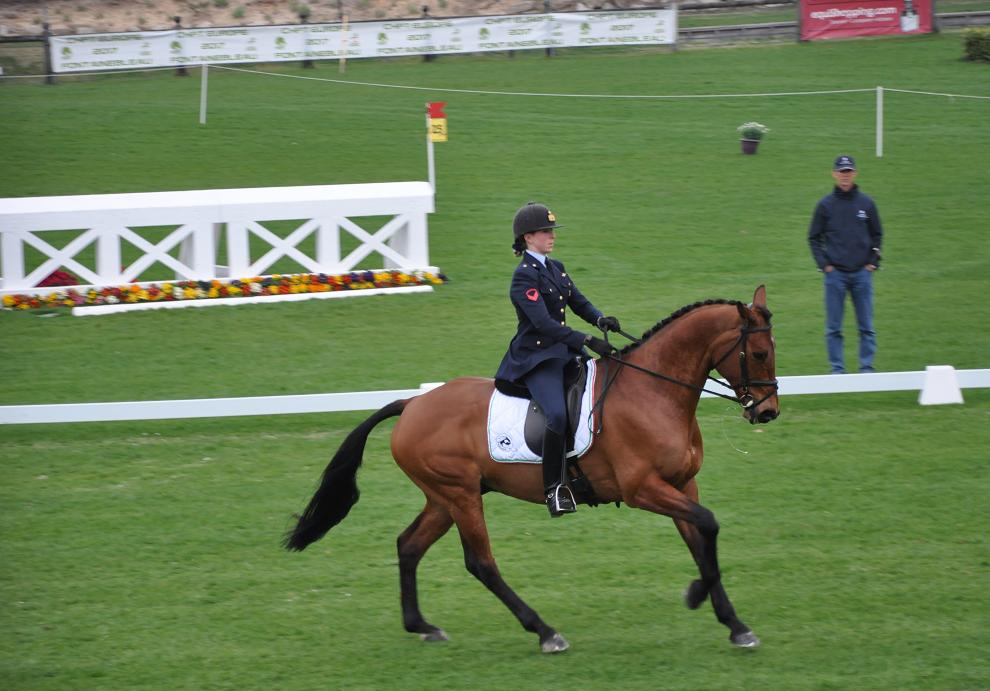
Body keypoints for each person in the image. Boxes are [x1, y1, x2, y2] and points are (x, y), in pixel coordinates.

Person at [495, 202, 620, 517]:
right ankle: (555, 488)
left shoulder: (555, 267)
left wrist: (600, 320)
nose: (551, 236)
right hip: (536, 358)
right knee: (556, 415)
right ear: (527, 237)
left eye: (551, 231)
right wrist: (585, 340)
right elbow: (543, 325)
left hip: (564, 352)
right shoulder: (523, 278)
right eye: (545, 231)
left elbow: (577, 300)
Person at [808, 155, 884, 374]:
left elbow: (877, 235)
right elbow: (813, 238)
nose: (845, 176)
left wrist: (872, 262)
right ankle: (837, 370)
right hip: (835, 276)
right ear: (834, 174)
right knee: (833, 328)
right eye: (842, 172)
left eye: (849, 171)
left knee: (867, 327)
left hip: (862, 274)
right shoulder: (825, 205)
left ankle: (867, 368)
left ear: (855, 174)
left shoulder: (866, 204)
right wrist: (825, 265)